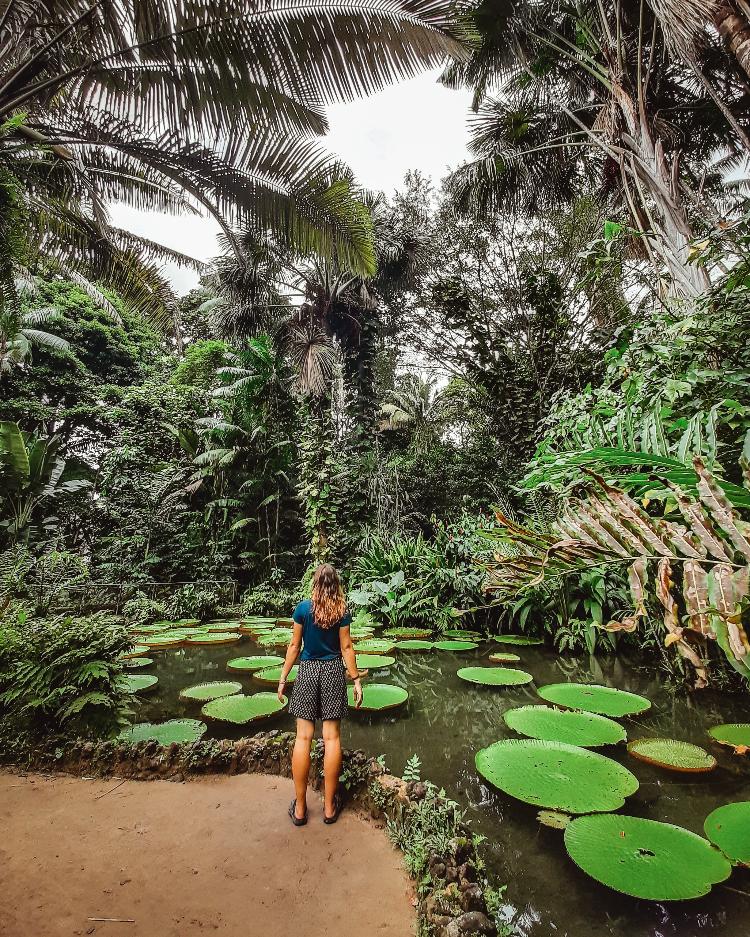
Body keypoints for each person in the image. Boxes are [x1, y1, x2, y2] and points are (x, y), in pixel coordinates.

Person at [277, 563, 363, 826]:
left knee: (303, 737)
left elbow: (294, 646)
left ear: (314, 583)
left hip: (308, 671)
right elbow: (346, 647)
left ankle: (301, 809)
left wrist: (282, 679)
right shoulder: (342, 611)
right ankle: (328, 808)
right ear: (336, 584)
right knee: (332, 738)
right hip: (334, 671)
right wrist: (356, 680)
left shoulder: (303, 609)